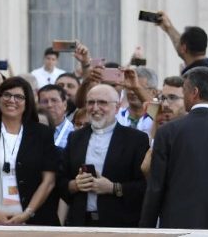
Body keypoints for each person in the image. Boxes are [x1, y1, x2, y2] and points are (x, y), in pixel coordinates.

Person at [140, 67, 208, 229]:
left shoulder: (167, 132)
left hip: (177, 227)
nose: (183, 95)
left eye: (184, 90)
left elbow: (156, 188)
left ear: (194, 92)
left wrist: (145, 229)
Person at [0, 76, 59, 225]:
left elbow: (49, 181)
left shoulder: (42, 134)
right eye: (7, 95)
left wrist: (27, 213)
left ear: (27, 102)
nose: (11, 100)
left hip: (34, 220)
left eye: (19, 97)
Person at [59, 84, 149, 227]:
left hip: (120, 225)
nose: (95, 108)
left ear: (117, 107)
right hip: (80, 223)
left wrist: (113, 188)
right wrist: (74, 185)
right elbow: (60, 181)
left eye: (102, 102)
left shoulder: (136, 140)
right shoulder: (75, 138)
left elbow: (145, 186)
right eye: (91, 102)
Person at [153, 12, 208, 76]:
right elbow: (181, 45)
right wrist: (169, 28)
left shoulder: (193, 76)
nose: (177, 43)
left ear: (184, 48)